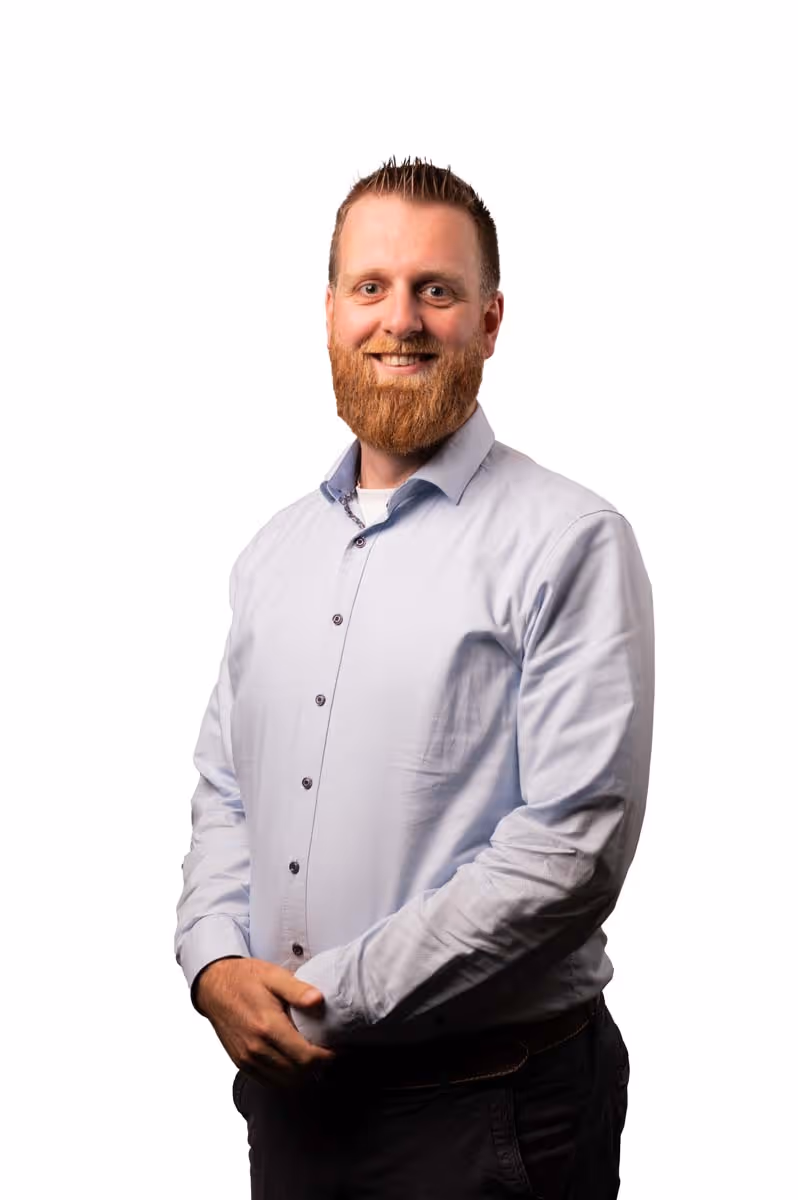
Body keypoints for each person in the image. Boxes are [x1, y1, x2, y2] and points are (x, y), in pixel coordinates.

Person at [175, 156, 655, 1199]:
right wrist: (214, 962)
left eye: (436, 290)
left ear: (489, 321)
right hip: (294, 1111)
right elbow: (227, 793)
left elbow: (571, 849)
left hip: (491, 1115)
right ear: (331, 314)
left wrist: (319, 1002)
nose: (402, 320)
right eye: (372, 287)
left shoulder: (570, 541)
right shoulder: (271, 554)